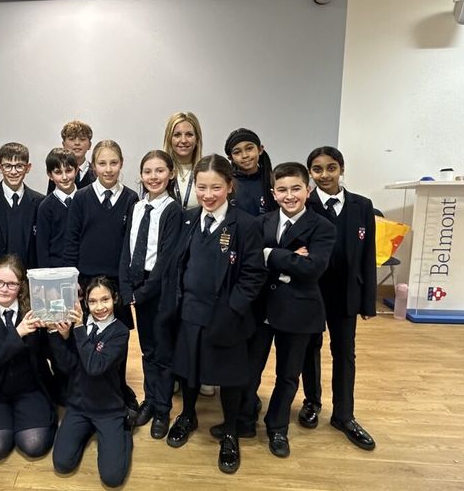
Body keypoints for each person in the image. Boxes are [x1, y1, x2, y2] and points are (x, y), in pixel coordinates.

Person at [159, 155, 266, 474]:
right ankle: (187, 415)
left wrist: (233, 310)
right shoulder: (189, 219)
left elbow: (253, 275)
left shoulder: (246, 224)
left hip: (227, 314)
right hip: (190, 310)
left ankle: (230, 430)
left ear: (230, 186)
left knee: (230, 377)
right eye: (202, 187)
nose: (208, 195)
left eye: (215, 187)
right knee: (188, 369)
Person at [239, 162, 335, 459]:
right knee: (249, 369)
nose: (289, 195)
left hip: (299, 311)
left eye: (296, 189)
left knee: (288, 374)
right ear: (273, 193)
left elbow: (312, 268)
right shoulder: (261, 223)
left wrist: (270, 254)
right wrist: (288, 258)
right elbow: (249, 262)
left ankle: (277, 427)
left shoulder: (323, 227)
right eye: (282, 190)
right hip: (261, 309)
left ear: (308, 190)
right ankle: (244, 419)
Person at [298, 146, 376, 450]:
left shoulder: (362, 206)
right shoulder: (305, 204)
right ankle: (312, 402)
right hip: (312, 292)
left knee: (345, 352)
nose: (325, 175)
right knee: (310, 349)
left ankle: (344, 415)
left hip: (346, 294)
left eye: (331, 168)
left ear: (341, 168)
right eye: (317, 169)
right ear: (310, 173)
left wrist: (368, 301)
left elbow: (368, 256)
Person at [63, 139, 140, 414]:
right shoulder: (82, 197)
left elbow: (132, 244)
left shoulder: (131, 199)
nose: (108, 169)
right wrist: (73, 281)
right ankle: (84, 388)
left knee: (116, 339)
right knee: (86, 337)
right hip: (86, 282)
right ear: (93, 166)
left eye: (113, 163)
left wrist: (128, 285)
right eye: (102, 163)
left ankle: (118, 387)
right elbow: (71, 241)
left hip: (116, 283)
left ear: (121, 164)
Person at [118, 150, 182, 439]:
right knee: (147, 350)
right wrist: (126, 287)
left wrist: (142, 293)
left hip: (159, 289)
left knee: (163, 351)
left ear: (170, 173)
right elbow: (127, 249)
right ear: (141, 175)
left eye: (159, 171)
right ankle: (150, 399)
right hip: (137, 286)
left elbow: (166, 259)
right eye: (147, 171)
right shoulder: (137, 206)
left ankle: (163, 409)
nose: (153, 177)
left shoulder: (173, 211)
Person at [0, 255, 56, 460]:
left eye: (11, 284)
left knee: (34, 444)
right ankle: (6, 420)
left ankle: (25, 417)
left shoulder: (34, 310)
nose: (4, 289)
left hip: (30, 387)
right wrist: (18, 333)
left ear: (21, 286)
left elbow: (50, 355)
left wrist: (55, 331)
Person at [50, 277, 133, 488]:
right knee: (62, 464)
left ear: (115, 299)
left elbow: (95, 367)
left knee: (112, 478)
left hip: (108, 408)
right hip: (79, 405)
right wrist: (62, 337)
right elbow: (67, 366)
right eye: (93, 301)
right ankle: (87, 429)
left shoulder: (120, 332)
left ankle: (123, 430)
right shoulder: (79, 325)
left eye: (105, 299)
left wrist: (78, 329)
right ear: (86, 303)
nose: (100, 307)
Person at [0, 142, 44, 270]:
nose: (13, 172)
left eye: (19, 166)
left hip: (29, 274)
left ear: (28, 168)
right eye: (8, 166)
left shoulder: (39, 201)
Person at [36, 148, 78, 268]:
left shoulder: (85, 200)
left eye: (68, 171)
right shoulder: (45, 207)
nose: (64, 177)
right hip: (56, 270)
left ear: (76, 170)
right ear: (50, 175)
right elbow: (42, 247)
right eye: (58, 172)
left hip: (84, 269)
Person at [224, 128, 278, 217]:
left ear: (260, 150)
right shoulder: (227, 184)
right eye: (237, 152)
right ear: (231, 158)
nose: (245, 155)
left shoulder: (273, 180)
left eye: (249, 148)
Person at [162, 112, 203, 211]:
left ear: (197, 139)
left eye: (189, 134)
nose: (183, 140)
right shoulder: (159, 172)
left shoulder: (206, 171)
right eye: (177, 135)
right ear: (169, 139)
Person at [47, 120, 96, 194]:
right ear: (63, 144)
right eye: (72, 139)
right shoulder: (57, 173)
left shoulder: (97, 173)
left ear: (90, 145)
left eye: (82, 139)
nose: (77, 143)